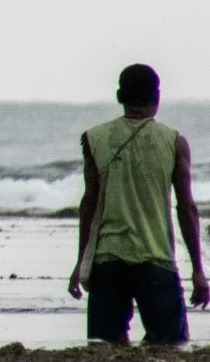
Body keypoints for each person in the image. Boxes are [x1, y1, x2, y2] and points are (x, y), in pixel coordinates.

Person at [68, 62, 208, 346]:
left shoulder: (94, 138)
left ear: (120, 96)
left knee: (106, 351)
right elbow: (186, 208)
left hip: (107, 261)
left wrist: (81, 262)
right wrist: (198, 270)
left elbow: (89, 204)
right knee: (169, 349)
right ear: (157, 97)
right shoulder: (174, 142)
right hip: (156, 261)